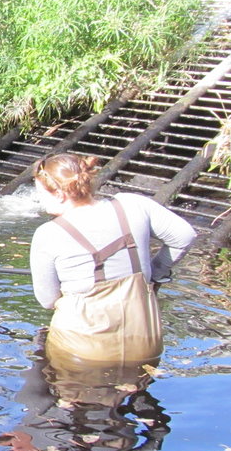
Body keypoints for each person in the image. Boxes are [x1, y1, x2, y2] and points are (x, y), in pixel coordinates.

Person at [29, 152, 196, 364]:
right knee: (138, 386)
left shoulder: (47, 234)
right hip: (144, 343)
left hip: (82, 350)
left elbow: (47, 300)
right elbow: (184, 236)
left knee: (60, 386)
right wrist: (153, 274)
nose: (39, 200)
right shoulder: (134, 204)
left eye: (41, 193)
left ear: (61, 194)